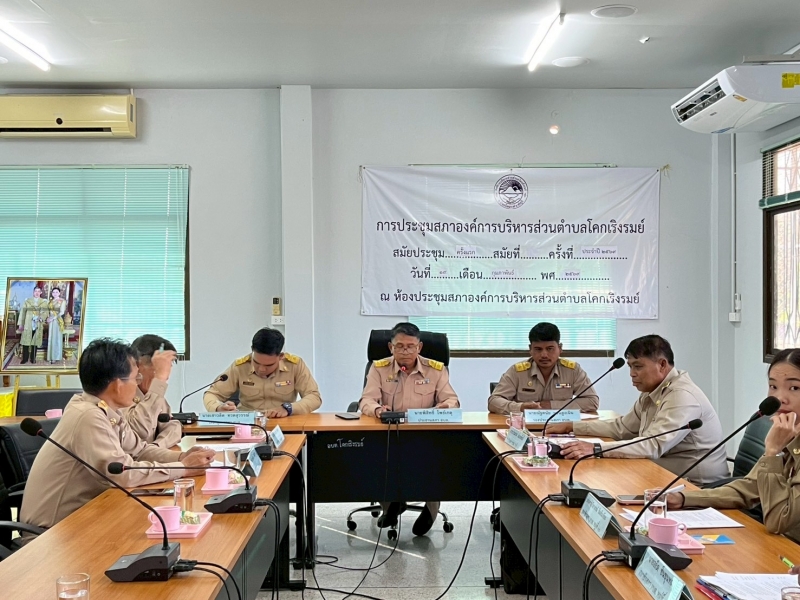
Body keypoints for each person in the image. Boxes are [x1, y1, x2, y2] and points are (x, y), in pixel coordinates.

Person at [21, 338, 214, 531]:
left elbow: (140, 451)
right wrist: (183, 468)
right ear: (117, 385)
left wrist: (182, 457)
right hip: (51, 533)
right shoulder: (88, 416)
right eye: (135, 378)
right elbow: (122, 473)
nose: (137, 384)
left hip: (85, 518)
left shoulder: (105, 411)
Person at [546, 335, 728, 486]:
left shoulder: (682, 396)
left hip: (697, 486)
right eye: (630, 366)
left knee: (607, 482)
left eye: (638, 366)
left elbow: (652, 445)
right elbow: (622, 428)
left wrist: (595, 449)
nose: (632, 373)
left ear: (662, 364)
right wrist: (573, 426)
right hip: (664, 475)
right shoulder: (652, 391)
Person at [666, 349, 800, 541]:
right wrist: (683, 498)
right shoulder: (788, 434)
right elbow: (748, 488)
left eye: (794, 388)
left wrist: (772, 453)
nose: (779, 398)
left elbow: (778, 522)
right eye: (773, 386)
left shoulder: (779, 439)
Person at [359, 322, 460, 536]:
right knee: (373, 455)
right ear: (391, 347)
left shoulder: (436, 370)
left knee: (436, 459)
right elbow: (366, 400)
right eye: (400, 346)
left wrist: (444, 407)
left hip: (425, 434)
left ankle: (432, 508)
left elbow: (452, 400)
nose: (405, 351)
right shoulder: (378, 368)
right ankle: (391, 506)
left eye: (411, 346)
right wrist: (377, 409)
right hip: (388, 432)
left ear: (419, 347)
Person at [203, 327, 322, 418]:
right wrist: (218, 408)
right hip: (248, 427)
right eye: (256, 362)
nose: (261, 369)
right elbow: (211, 394)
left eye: (268, 365)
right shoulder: (240, 367)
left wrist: (288, 408)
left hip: (284, 426)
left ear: (281, 356)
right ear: (252, 351)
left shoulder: (294, 365)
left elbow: (314, 397)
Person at [488, 322, 599, 414]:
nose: (544, 355)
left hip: (563, 427)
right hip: (526, 428)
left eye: (550, 348)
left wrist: (551, 405)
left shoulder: (572, 370)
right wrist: (520, 407)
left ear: (560, 348)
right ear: (530, 349)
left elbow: (592, 401)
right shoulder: (517, 371)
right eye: (538, 349)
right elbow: (493, 402)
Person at [124, 334, 182, 448]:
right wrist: (160, 379)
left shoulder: (152, 394)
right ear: (138, 364)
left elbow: (173, 426)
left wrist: (157, 446)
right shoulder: (120, 393)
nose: (166, 377)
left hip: (150, 456)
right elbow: (140, 430)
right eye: (160, 370)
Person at [17, 285, 49, 364]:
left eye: (38, 291)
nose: (37, 293)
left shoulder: (44, 302)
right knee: (26, 341)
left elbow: (46, 312)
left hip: (37, 323)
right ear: (33, 292)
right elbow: (23, 312)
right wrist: (21, 324)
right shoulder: (27, 301)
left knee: (35, 341)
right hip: (28, 323)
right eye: (35, 291)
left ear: (41, 292)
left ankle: (33, 358)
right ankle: (25, 358)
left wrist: (41, 317)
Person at [46, 286, 67, 363]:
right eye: (53, 292)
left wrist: (53, 318)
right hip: (51, 321)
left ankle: (55, 356)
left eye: (56, 292)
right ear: (52, 293)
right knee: (51, 338)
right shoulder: (50, 301)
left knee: (56, 338)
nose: (55, 293)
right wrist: (48, 318)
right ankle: (50, 356)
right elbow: (48, 311)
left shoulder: (62, 301)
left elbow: (62, 312)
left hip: (57, 320)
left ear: (59, 293)